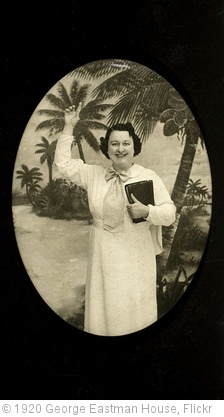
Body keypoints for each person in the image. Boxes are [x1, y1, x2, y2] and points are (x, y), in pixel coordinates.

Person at [54, 103, 176, 336]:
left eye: (126, 143)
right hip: (103, 254)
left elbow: (170, 213)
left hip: (135, 256)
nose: (120, 149)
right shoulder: (94, 174)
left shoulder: (147, 176)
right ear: (107, 148)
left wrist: (148, 212)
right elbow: (63, 164)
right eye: (114, 143)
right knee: (104, 313)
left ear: (134, 147)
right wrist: (68, 126)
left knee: (134, 314)